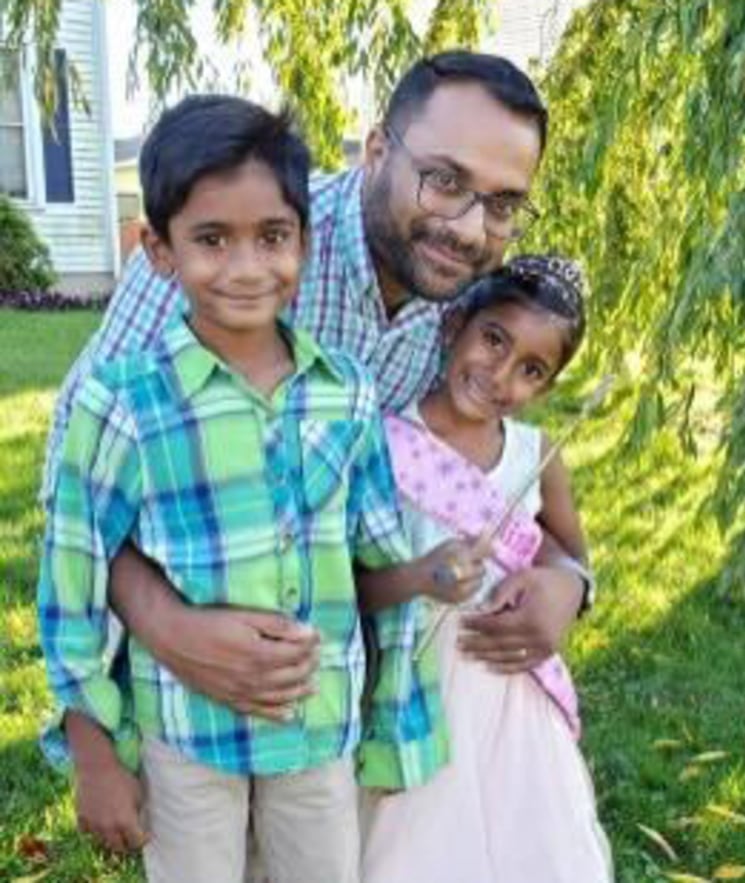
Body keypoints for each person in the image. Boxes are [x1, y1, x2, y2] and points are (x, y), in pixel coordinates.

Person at [42, 51, 593, 852]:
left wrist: (568, 585)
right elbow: (75, 481)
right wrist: (164, 622)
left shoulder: (467, 309)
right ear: (376, 150)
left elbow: (481, 472)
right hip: (190, 705)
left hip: (334, 710)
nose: (473, 228)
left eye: (504, 204)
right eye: (444, 180)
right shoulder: (227, 238)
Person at [38, 95, 444, 883]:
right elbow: (74, 573)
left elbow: (381, 557)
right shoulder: (123, 404)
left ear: (303, 239)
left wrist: (397, 720)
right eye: (211, 239)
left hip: (318, 730)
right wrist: (93, 750)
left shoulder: (346, 392)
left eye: (272, 237)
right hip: (189, 735)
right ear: (158, 251)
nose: (248, 267)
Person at [358, 255, 614, 883]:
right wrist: (419, 577)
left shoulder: (537, 457)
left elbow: (572, 558)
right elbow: (345, 588)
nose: (500, 375)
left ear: (546, 388)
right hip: (413, 695)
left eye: (531, 369)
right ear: (453, 327)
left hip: (511, 695)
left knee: (531, 849)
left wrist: (559, 584)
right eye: (492, 339)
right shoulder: (381, 445)